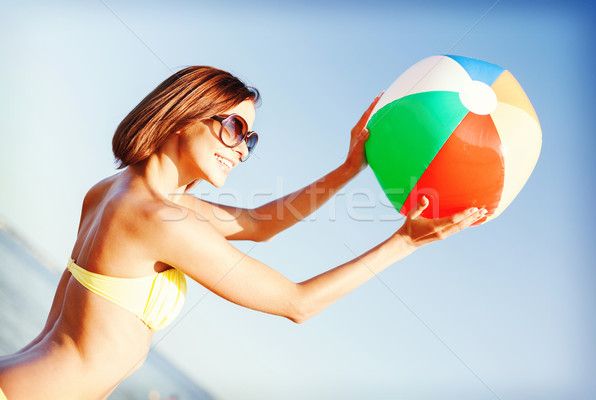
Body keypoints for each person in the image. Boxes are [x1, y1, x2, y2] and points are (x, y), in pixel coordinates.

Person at [0, 66, 487, 399]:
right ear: (185, 113)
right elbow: (298, 303)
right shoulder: (159, 220)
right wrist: (406, 240)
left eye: (249, 139)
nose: (241, 149)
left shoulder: (118, 191)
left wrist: (348, 169)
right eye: (234, 128)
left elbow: (257, 226)